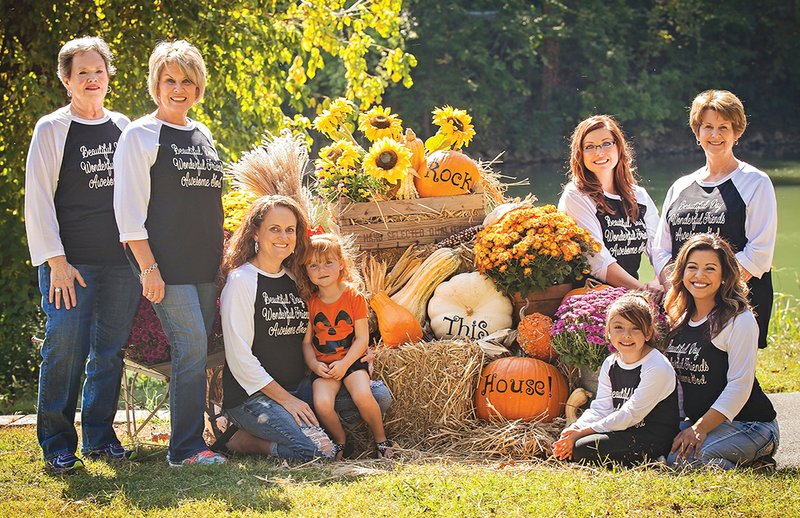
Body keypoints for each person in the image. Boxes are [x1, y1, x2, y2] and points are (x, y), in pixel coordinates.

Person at [24, 36, 140, 475]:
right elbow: (37, 201)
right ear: (66, 80)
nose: (92, 79)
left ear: (109, 75)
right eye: (82, 73)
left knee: (108, 352)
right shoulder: (52, 129)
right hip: (68, 267)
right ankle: (56, 442)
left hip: (119, 266)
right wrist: (56, 262)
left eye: (98, 71)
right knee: (65, 351)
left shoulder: (125, 126)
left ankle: (98, 437)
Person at [114, 40, 226, 466]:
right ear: (155, 85)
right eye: (169, 80)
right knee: (192, 346)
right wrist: (149, 269)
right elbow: (127, 215)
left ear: (197, 88)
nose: (178, 89)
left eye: (187, 81)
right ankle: (184, 450)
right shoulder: (139, 135)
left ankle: (191, 442)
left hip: (202, 265)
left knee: (195, 350)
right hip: (165, 266)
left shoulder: (203, 134)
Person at [654, 90, 777, 348]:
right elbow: (662, 250)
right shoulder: (679, 187)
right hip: (683, 307)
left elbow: (759, 254)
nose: (715, 135)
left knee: (733, 383)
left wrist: (709, 294)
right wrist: (678, 293)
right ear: (697, 132)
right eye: (707, 126)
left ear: (737, 132)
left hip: (735, 306)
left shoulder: (755, 182)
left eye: (724, 127)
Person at [664, 233, 779, 470]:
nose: (699, 275)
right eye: (692, 267)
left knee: (681, 462)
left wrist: (699, 429)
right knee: (657, 447)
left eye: (710, 268)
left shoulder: (739, 320)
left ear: (725, 275)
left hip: (750, 425)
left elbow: (739, 386)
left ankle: (756, 464)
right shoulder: (678, 317)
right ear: (682, 272)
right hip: (702, 422)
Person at [553, 293, 678, 467]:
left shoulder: (656, 366)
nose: (626, 335)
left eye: (635, 328)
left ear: (648, 332)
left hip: (651, 437)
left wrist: (583, 432)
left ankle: (654, 461)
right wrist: (574, 429)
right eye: (618, 327)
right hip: (622, 430)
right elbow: (601, 408)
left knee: (583, 448)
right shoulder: (611, 363)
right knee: (575, 444)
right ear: (608, 331)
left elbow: (631, 414)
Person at [300, 233, 394, 459]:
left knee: (363, 395)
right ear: (306, 270)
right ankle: (340, 441)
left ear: (341, 263)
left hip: (350, 362)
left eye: (328, 263)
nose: (321, 269)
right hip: (324, 365)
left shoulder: (353, 296)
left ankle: (380, 438)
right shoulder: (310, 303)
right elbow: (306, 343)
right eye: (313, 265)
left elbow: (362, 339)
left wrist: (344, 363)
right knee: (322, 404)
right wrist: (314, 365)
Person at [558, 115, 662, 298]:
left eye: (606, 143)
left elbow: (660, 247)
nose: (599, 152)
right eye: (590, 146)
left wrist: (658, 282)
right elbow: (598, 262)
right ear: (580, 154)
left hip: (632, 297)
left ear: (619, 146)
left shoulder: (639, 196)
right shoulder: (576, 196)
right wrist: (643, 292)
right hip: (593, 299)